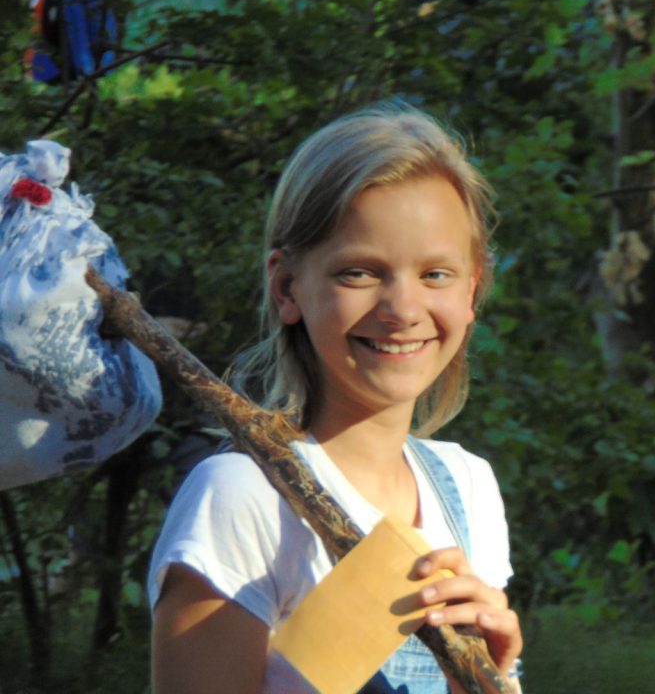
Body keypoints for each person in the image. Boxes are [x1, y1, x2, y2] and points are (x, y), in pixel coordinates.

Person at [147, 102, 522, 693]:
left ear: (472, 289)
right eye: (360, 273)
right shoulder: (243, 498)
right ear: (287, 287)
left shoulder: (468, 487)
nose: (402, 310)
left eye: (435, 274)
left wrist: (486, 681)